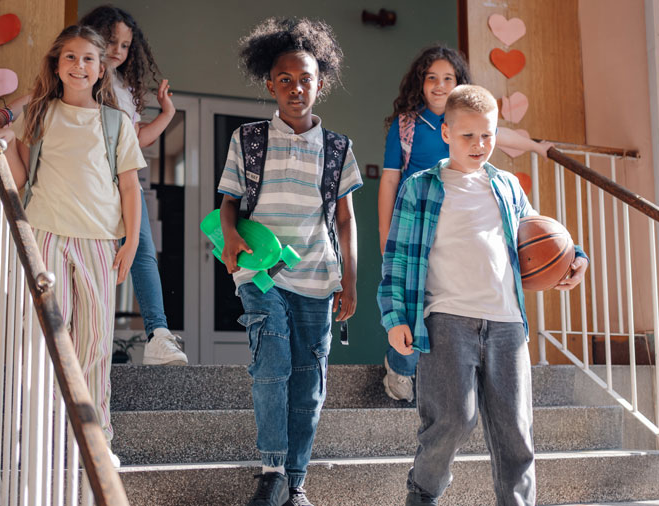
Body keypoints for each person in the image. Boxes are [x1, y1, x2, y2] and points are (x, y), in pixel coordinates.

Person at [377, 85, 588, 505]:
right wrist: (395, 317)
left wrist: (575, 259)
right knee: (454, 419)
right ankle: (423, 494)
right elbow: (396, 258)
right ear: (446, 133)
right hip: (446, 320)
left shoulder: (506, 186)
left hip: (507, 324)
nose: (479, 144)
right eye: (468, 135)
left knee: (515, 431)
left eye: (488, 135)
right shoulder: (420, 187)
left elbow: (538, 232)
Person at [0, 5, 187, 366]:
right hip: (59, 214)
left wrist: (167, 114)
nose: (117, 50)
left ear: (101, 65)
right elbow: (34, 101)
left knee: (137, 257)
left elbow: (137, 144)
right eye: (111, 41)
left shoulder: (123, 95)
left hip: (110, 196)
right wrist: (5, 120)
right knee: (54, 320)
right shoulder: (57, 97)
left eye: (125, 45)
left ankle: (158, 334)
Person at [0, 24, 145, 468]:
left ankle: (96, 437)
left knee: (96, 341)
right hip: (46, 234)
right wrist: (5, 141)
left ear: (101, 69)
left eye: (88, 58)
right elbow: (20, 177)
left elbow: (130, 187)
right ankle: (44, 431)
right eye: (69, 57)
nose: (79, 65)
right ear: (56, 65)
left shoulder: (116, 123)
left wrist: (131, 241)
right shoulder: (40, 112)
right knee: (49, 334)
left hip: (99, 242)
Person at [217, 17, 361, 506]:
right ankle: (271, 471)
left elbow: (346, 220)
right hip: (260, 274)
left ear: (320, 84)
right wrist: (230, 235)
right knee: (271, 365)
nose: (296, 88)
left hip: (318, 278)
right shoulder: (249, 139)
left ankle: (295, 482)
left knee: (308, 384)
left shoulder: (338, 149)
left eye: (305, 79)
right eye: (285, 80)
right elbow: (229, 202)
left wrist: (349, 281)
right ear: (270, 85)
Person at [378, 46, 551, 402]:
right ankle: (400, 368)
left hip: (460, 228)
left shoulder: (474, 128)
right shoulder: (407, 125)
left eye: (448, 78)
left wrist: (537, 147)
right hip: (418, 226)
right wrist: (385, 238)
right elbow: (390, 181)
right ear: (420, 83)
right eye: (432, 78)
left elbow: (499, 133)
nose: (440, 85)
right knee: (409, 304)